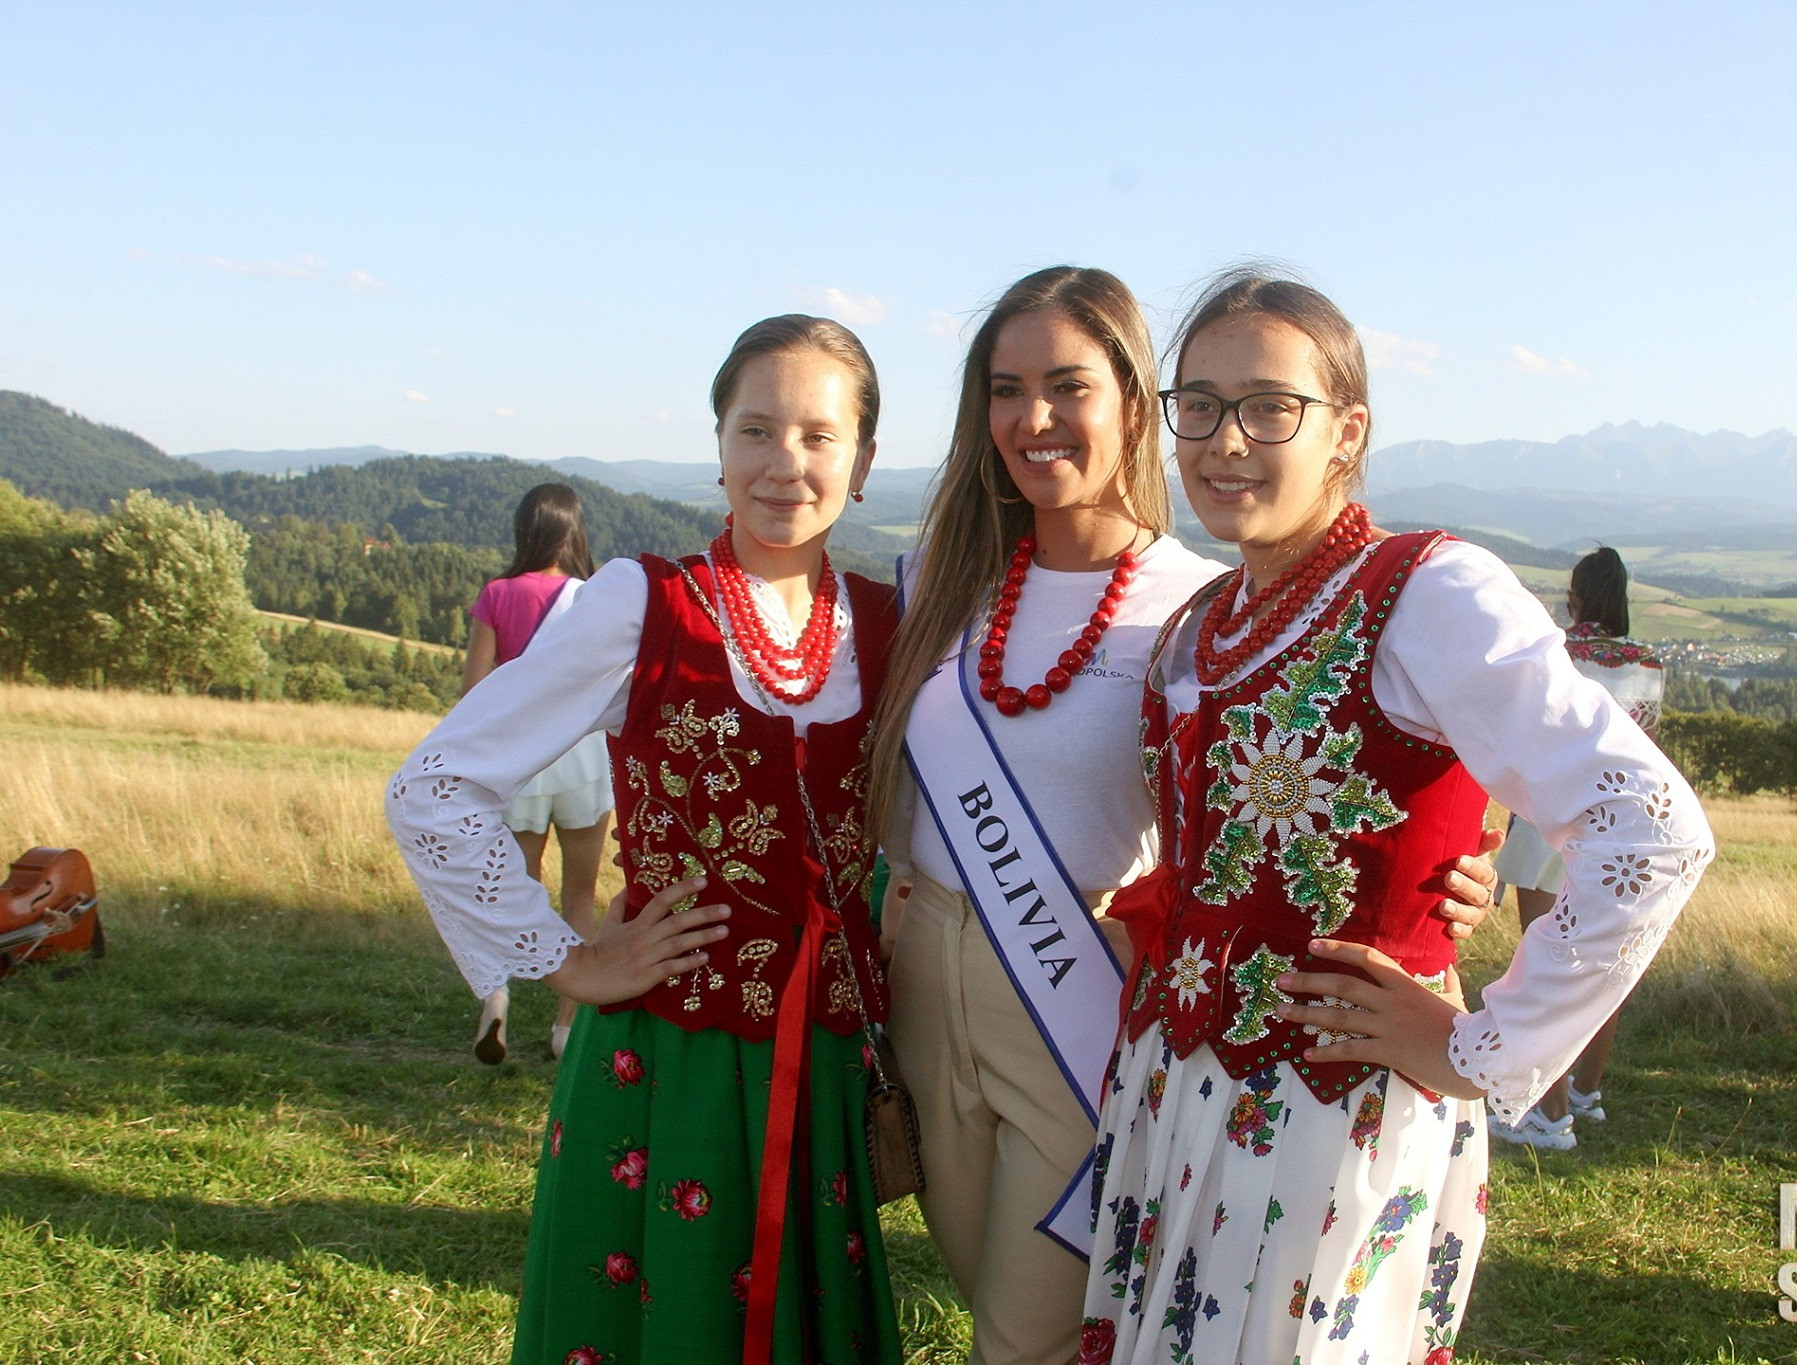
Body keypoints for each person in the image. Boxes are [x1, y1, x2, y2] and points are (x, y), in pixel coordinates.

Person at [863, 266, 1501, 1365]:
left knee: (1024, 1338)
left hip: (1080, 993)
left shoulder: (1197, 603)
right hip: (928, 979)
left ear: (1130, 401)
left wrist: (1442, 879)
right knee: (985, 1293)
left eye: (1068, 385)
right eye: (1005, 390)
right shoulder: (936, 581)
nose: (1033, 418)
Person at [1081, 270, 1713, 1365]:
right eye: (1200, 405)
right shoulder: (1198, 621)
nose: (1226, 440)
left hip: (1331, 1117)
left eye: (1269, 406)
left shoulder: (1426, 589)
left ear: (1345, 431)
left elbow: (1647, 827)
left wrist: (1481, 1048)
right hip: (1176, 1096)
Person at [388, 315, 900, 1365]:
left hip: (830, 1057)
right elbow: (434, 786)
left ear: (862, 460)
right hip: (673, 1055)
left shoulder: (891, 623)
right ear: (717, 445)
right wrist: (567, 958)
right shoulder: (643, 602)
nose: (782, 463)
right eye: (755, 429)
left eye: (816, 434)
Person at [1489, 545, 1664, 1148]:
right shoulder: (1650, 662)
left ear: (1576, 596)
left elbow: (1528, 743)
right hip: (1626, 826)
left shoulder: (1559, 655)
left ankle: (1548, 1114)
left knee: (1548, 968)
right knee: (1603, 967)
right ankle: (1586, 1093)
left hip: (1548, 823)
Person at [462, 482, 615, 1064]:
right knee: (577, 894)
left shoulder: (497, 593)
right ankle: (567, 1026)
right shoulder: (591, 597)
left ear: (525, 530)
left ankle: (496, 1001)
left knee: (514, 890)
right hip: (580, 756)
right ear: (574, 533)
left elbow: (474, 691)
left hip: (520, 761)